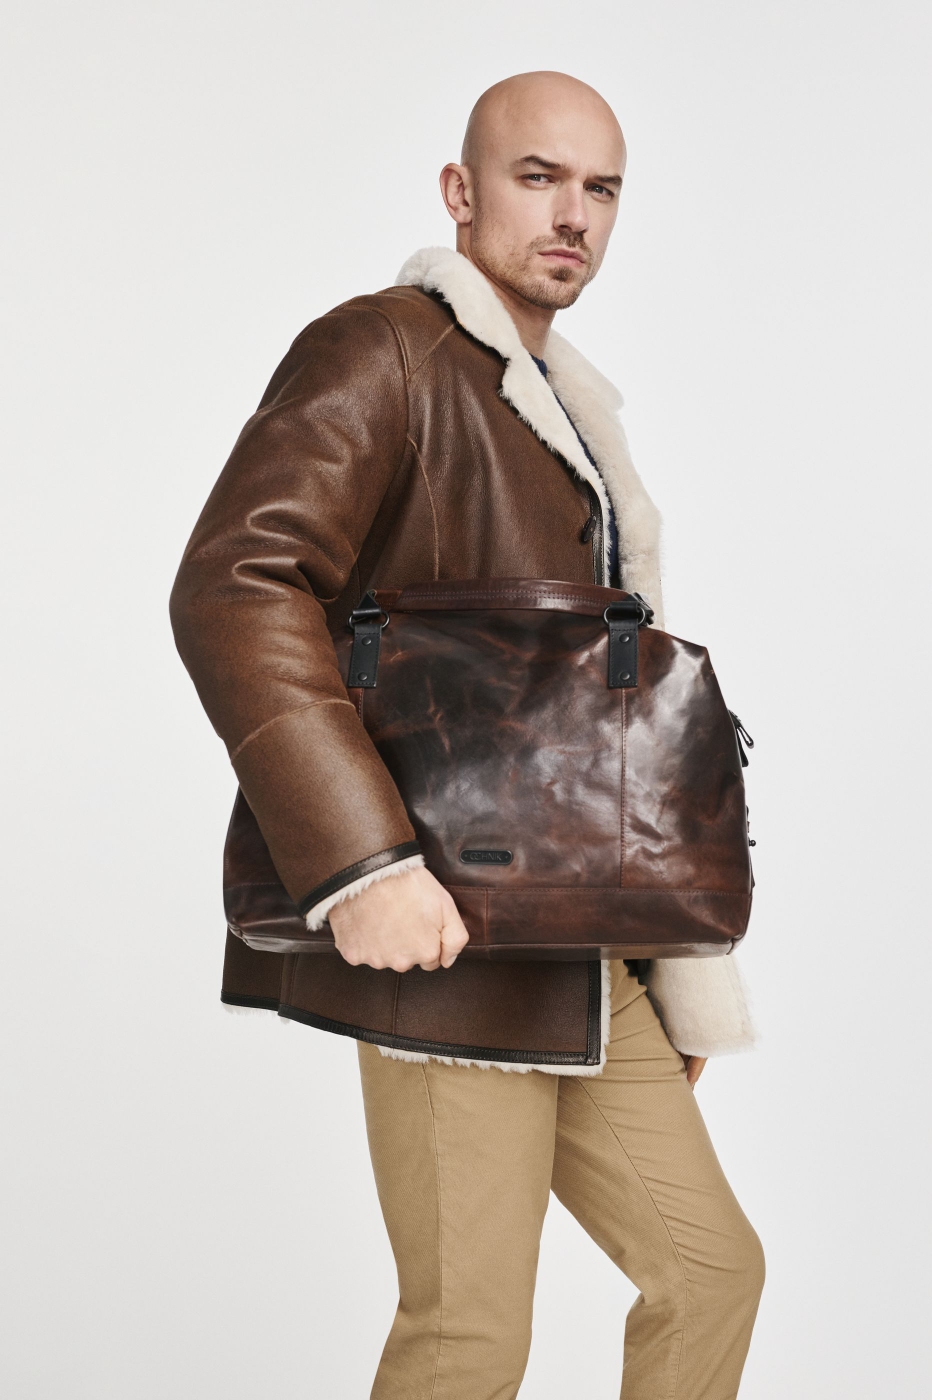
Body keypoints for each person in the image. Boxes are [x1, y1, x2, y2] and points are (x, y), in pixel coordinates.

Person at [172, 70, 764, 1400]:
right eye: (537, 177)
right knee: (471, 1337)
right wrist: (364, 867)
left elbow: (582, 712)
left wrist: (655, 949)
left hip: (575, 943)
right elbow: (235, 584)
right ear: (460, 190)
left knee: (711, 1273)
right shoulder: (382, 349)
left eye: (600, 188)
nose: (572, 214)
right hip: (442, 936)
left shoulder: (568, 406)